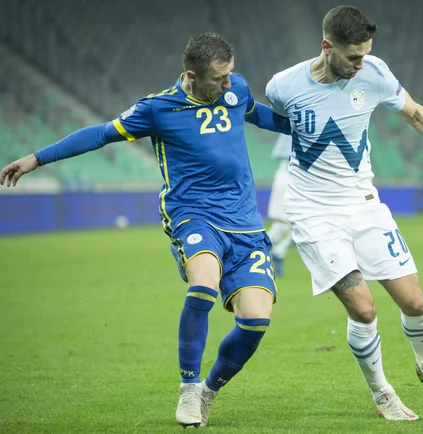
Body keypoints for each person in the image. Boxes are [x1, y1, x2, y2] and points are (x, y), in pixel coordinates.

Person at [0, 33, 291, 428]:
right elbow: (100, 134)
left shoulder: (235, 88)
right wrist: (36, 158)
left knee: (256, 320)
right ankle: (188, 389)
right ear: (192, 75)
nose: (228, 84)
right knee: (203, 284)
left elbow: (260, 115)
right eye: (219, 79)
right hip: (193, 216)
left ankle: (208, 391)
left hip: (244, 223)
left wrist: (308, 128)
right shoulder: (158, 109)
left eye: (230, 76)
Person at [265, 5, 423, 420]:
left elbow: (415, 113)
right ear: (326, 46)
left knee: (414, 302)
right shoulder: (283, 85)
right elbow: (274, 120)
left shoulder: (374, 72)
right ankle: (383, 393)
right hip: (314, 213)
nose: (360, 64)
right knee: (365, 309)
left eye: (365, 54)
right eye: (353, 57)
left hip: (364, 205)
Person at [265, 134, 295, 277]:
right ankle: (263, 253)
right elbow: (281, 153)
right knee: (283, 223)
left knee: (295, 225)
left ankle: (277, 252)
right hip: (288, 175)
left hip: (297, 177)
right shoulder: (292, 127)